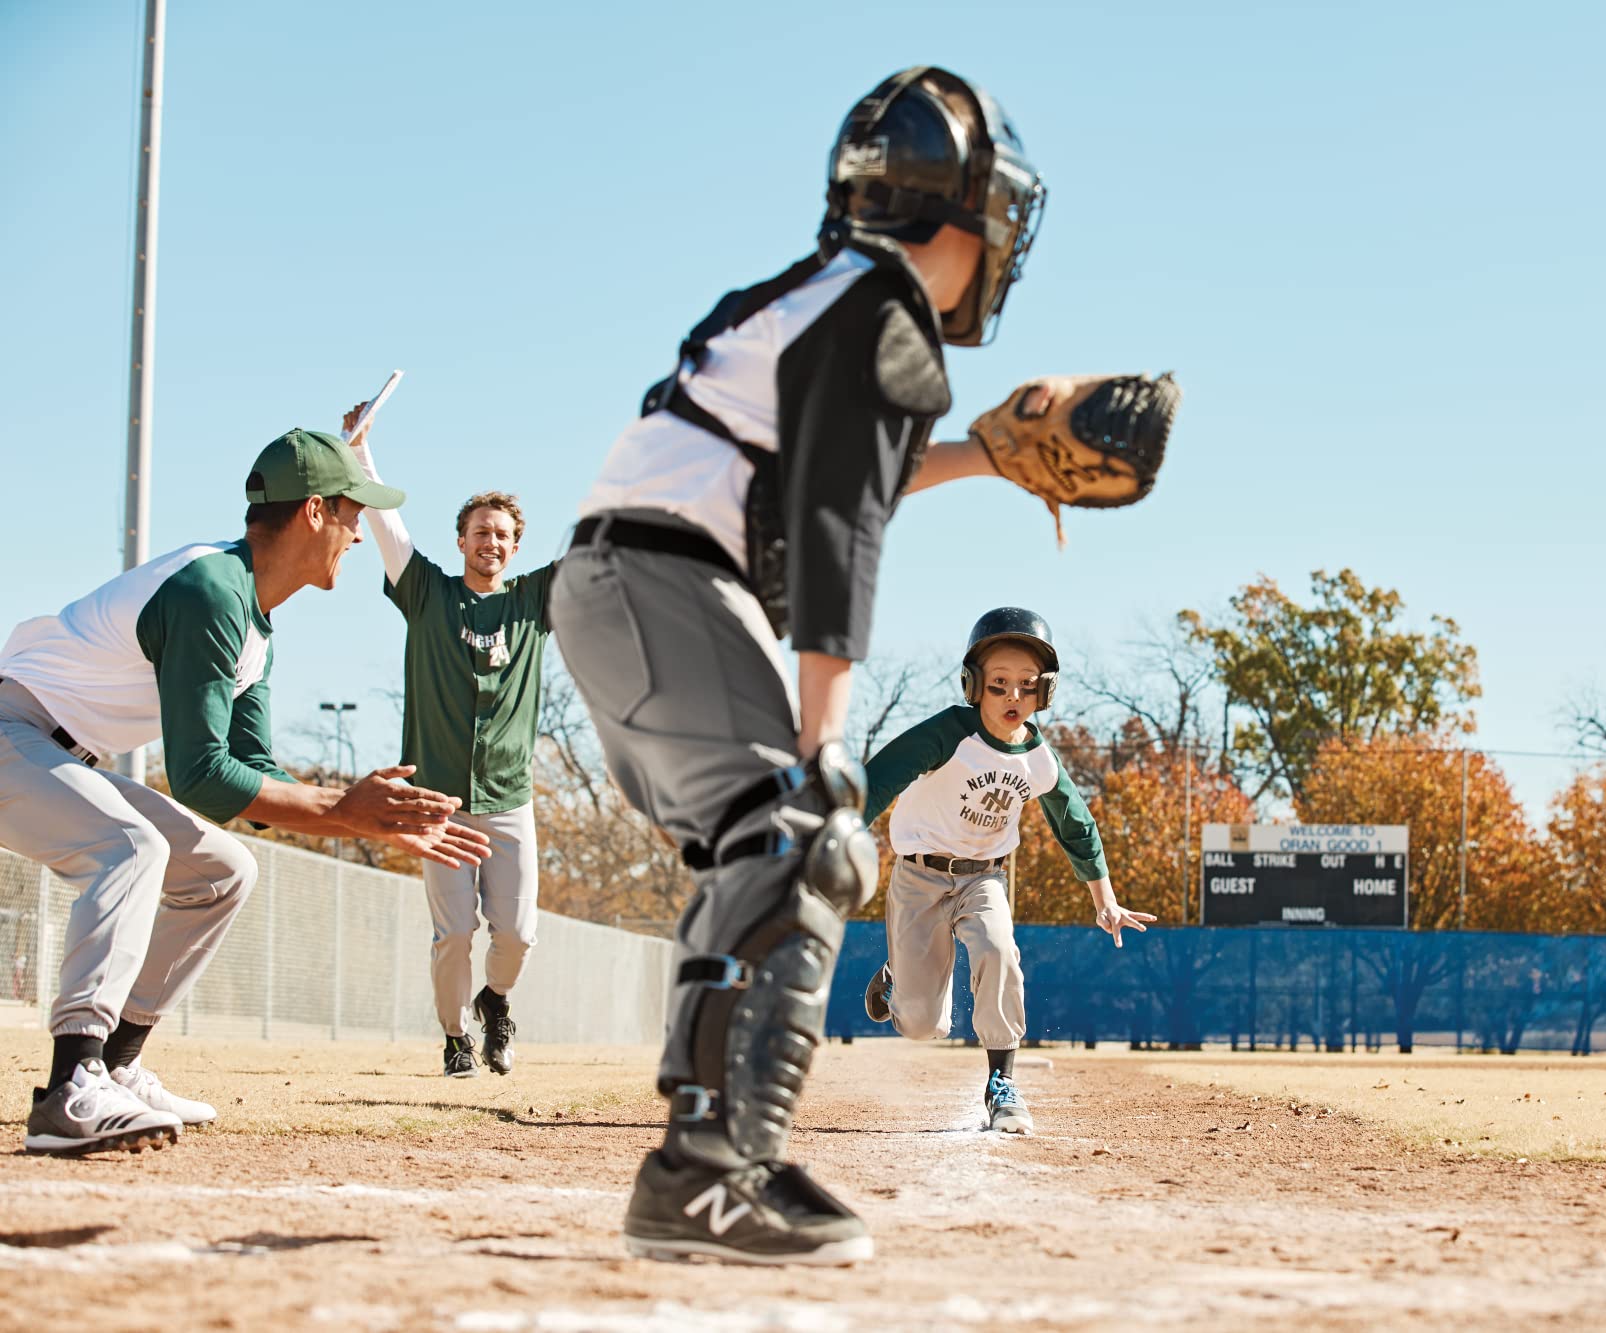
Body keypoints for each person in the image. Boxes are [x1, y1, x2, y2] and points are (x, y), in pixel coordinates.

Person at [552, 66, 1045, 1264]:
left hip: (619, 584)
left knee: (753, 853)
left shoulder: (813, 295)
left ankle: (706, 1162)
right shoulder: (887, 318)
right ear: (959, 213)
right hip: (665, 585)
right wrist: (826, 747)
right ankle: (711, 1173)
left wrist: (982, 457)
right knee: (796, 836)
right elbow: (836, 526)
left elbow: (814, 470)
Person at [0, 428, 490, 1155]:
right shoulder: (210, 588)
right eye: (354, 513)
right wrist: (342, 810)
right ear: (315, 510)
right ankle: (72, 1084)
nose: (359, 533)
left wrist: (363, 817)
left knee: (224, 870)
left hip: (57, 751)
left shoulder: (255, 621)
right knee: (131, 846)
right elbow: (199, 773)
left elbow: (248, 764)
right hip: (15, 735)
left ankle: (117, 1066)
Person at [858, 608, 1154, 1135]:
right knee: (924, 1025)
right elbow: (878, 780)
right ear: (974, 686)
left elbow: (1076, 825)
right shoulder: (947, 735)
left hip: (983, 879)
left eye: (1026, 685)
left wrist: (1103, 899)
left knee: (998, 951)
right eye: (999, 685)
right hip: (919, 876)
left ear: (1046, 692)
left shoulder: (1038, 758)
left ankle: (1002, 1084)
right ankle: (897, 977)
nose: (1013, 696)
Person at [343, 404, 557, 1079]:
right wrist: (362, 454)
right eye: (478, 531)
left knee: (517, 933)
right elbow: (387, 527)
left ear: (515, 547)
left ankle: (496, 1002)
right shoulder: (428, 594)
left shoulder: (533, 602)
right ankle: (454, 1036)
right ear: (460, 539)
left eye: (501, 534)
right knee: (454, 931)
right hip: (436, 798)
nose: (489, 541)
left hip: (508, 800)